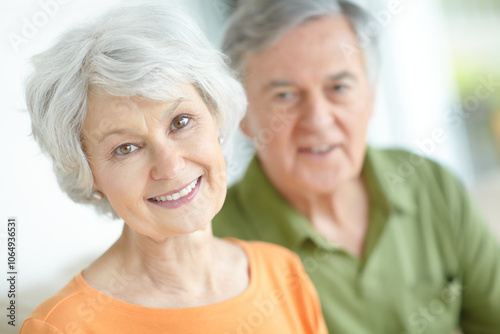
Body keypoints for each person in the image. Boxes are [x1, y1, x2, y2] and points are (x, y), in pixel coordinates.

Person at [19, 5, 328, 334]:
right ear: (88, 174)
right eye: (126, 148)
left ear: (216, 117)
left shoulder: (284, 273)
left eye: (180, 122)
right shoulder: (59, 327)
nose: (170, 166)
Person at [213, 0, 500, 333]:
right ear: (242, 116)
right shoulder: (214, 242)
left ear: (371, 95)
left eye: (338, 88)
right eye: (286, 96)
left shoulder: (430, 183)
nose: (318, 120)